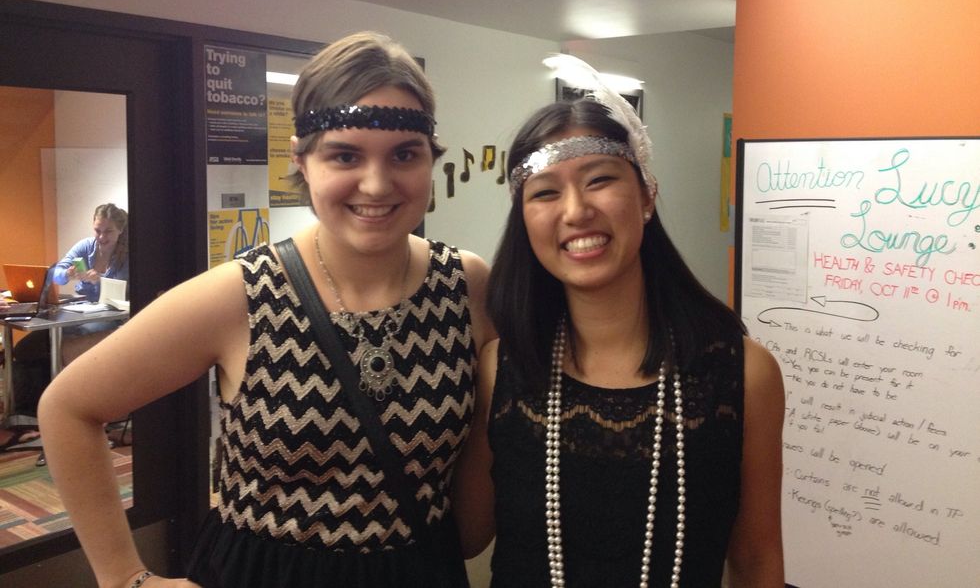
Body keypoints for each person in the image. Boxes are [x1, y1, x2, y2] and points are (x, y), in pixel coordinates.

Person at [38, 32, 494, 588]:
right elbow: (68, 408)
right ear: (303, 162)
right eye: (345, 155)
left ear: (431, 159)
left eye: (404, 154)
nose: (377, 183)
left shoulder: (465, 285)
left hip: (420, 570)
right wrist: (124, 577)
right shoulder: (244, 294)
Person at [452, 55, 785, 587]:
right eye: (544, 193)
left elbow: (756, 559)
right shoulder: (501, 370)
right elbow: (463, 537)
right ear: (525, 220)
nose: (576, 210)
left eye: (599, 179)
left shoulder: (745, 376)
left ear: (647, 195)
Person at [10, 203, 130, 419]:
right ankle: (28, 409)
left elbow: (120, 293)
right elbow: (54, 273)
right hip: (80, 312)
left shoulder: (128, 255)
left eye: (108, 231)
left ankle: (62, 410)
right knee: (27, 346)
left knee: (65, 342)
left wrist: (98, 282)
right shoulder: (85, 247)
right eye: (97, 230)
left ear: (120, 230)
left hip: (111, 316)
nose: (101, 237)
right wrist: (67, 274)